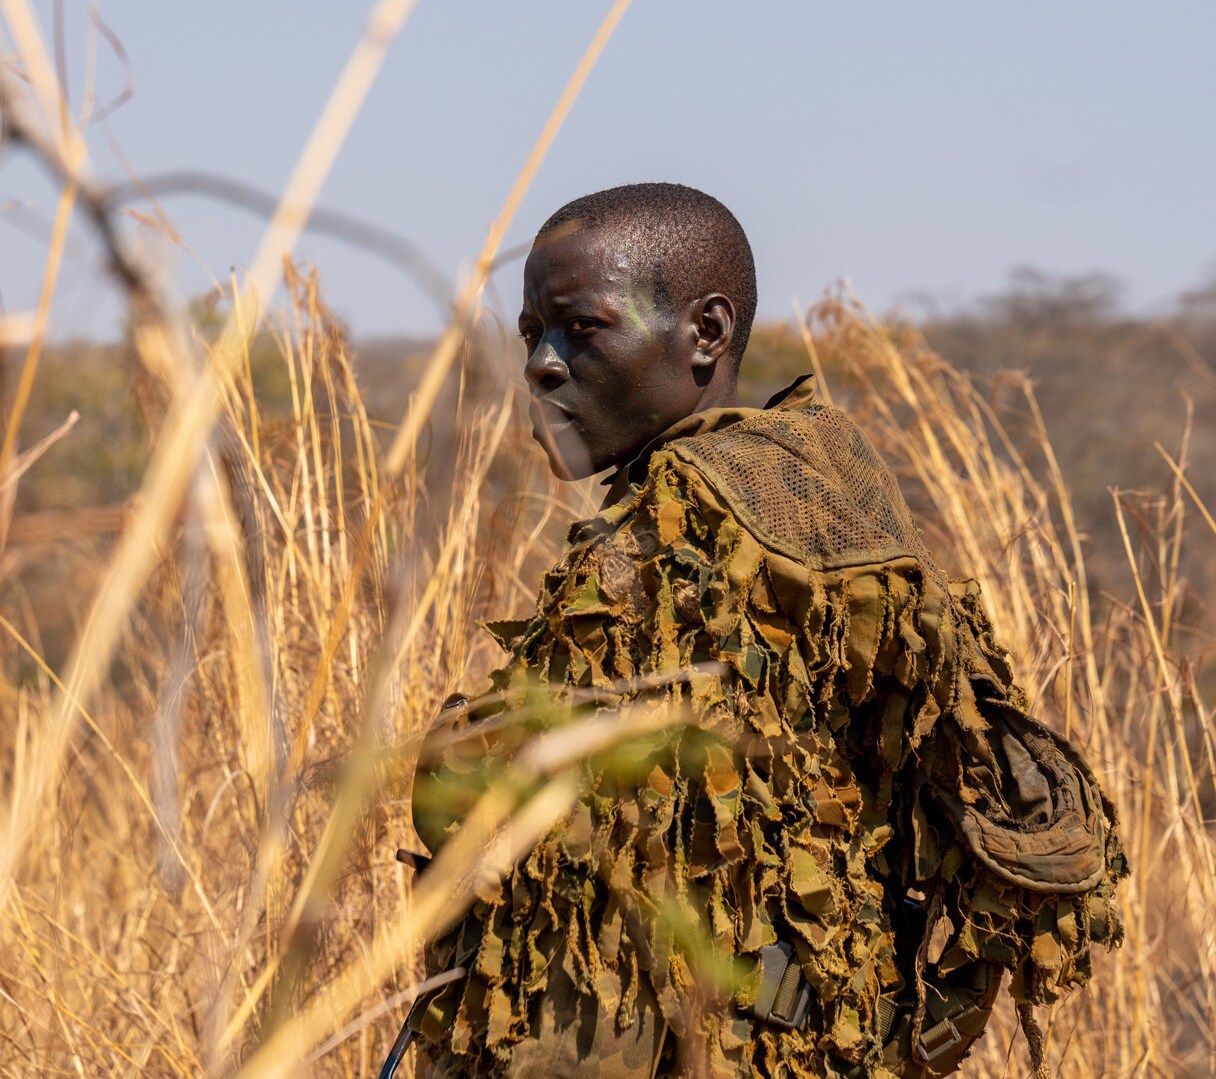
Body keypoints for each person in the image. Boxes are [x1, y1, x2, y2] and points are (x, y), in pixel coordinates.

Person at [404, 184, 1126, 1078]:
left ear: (706, 332)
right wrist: (910, 1034)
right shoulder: (824, 485)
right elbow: (1006, 797)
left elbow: (588, 894)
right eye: (530, 335)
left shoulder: (682, 528)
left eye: (580, 327)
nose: (541, 366)